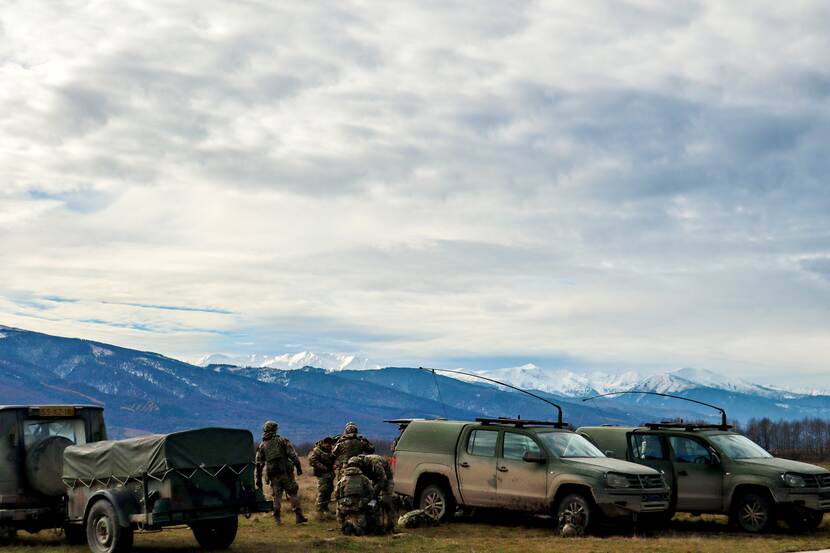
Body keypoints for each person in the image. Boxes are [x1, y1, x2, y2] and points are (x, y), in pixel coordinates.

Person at [255, 420, 308, 525]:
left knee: (276, 497)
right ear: (275, 429)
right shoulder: (282, 441)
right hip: (286, 474)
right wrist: (298, 468)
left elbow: (259, 464)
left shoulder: (262, 445)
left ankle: (277, 520)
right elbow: (293, 456)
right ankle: (299, 517)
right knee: (293, 493)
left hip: (273, 476)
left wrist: (258, 480)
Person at [334, 457, 374, 536]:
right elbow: (371, 492)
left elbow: (336, 494)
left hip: (344, 507)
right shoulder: (364, 479)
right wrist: (365, 500)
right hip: (358, 507)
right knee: (362, 526)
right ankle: (358, 528)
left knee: (338, 506)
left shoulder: (343, 479)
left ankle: (343, 526)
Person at [308, 436, 337, 519]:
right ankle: (319, 511)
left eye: (330, 445)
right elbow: (312, 461)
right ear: (323, 443)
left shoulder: (331, 450)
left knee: (329, 490)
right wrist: (324, 467)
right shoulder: (317, 450)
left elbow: (336, 458)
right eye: (327, 445)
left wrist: (335, 464)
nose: (329, 446)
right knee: (323, 491)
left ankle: (325, 507)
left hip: (330, 474)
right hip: (322, 474)